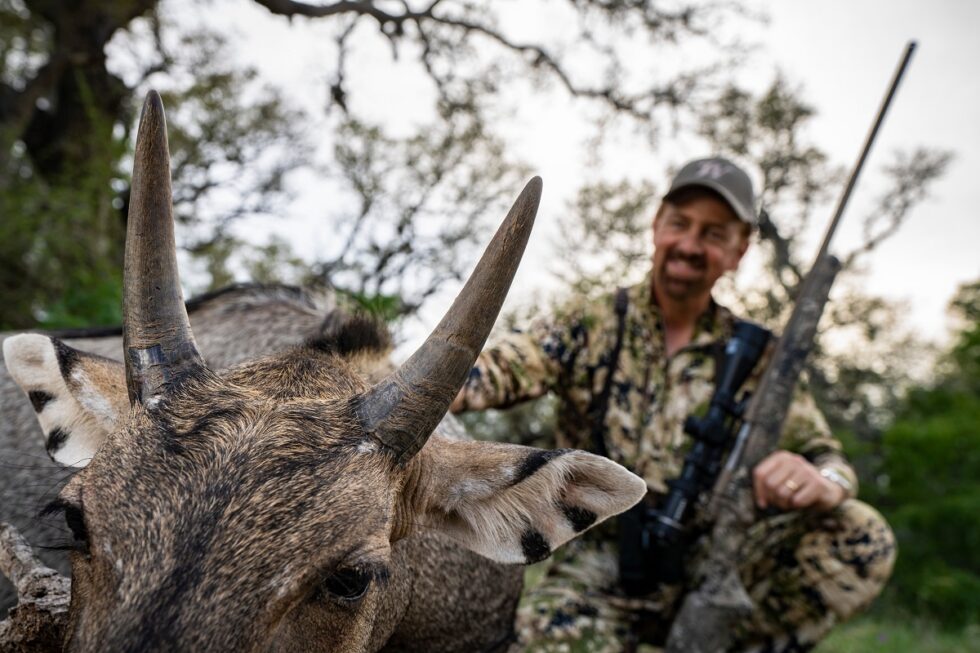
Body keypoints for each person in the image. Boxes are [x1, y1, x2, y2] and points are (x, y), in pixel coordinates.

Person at [450, 157, 896, 653]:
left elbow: (828, 459)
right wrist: (414, 392)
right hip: (604, 562)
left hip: (711, 560)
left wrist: (822, 484)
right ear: (657, 224)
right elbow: (499, 369)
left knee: (861, 535)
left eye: (713, 233)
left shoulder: (759, 358)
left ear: (739, 249)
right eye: (680, 224)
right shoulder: (593, 323)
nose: (689, 245)